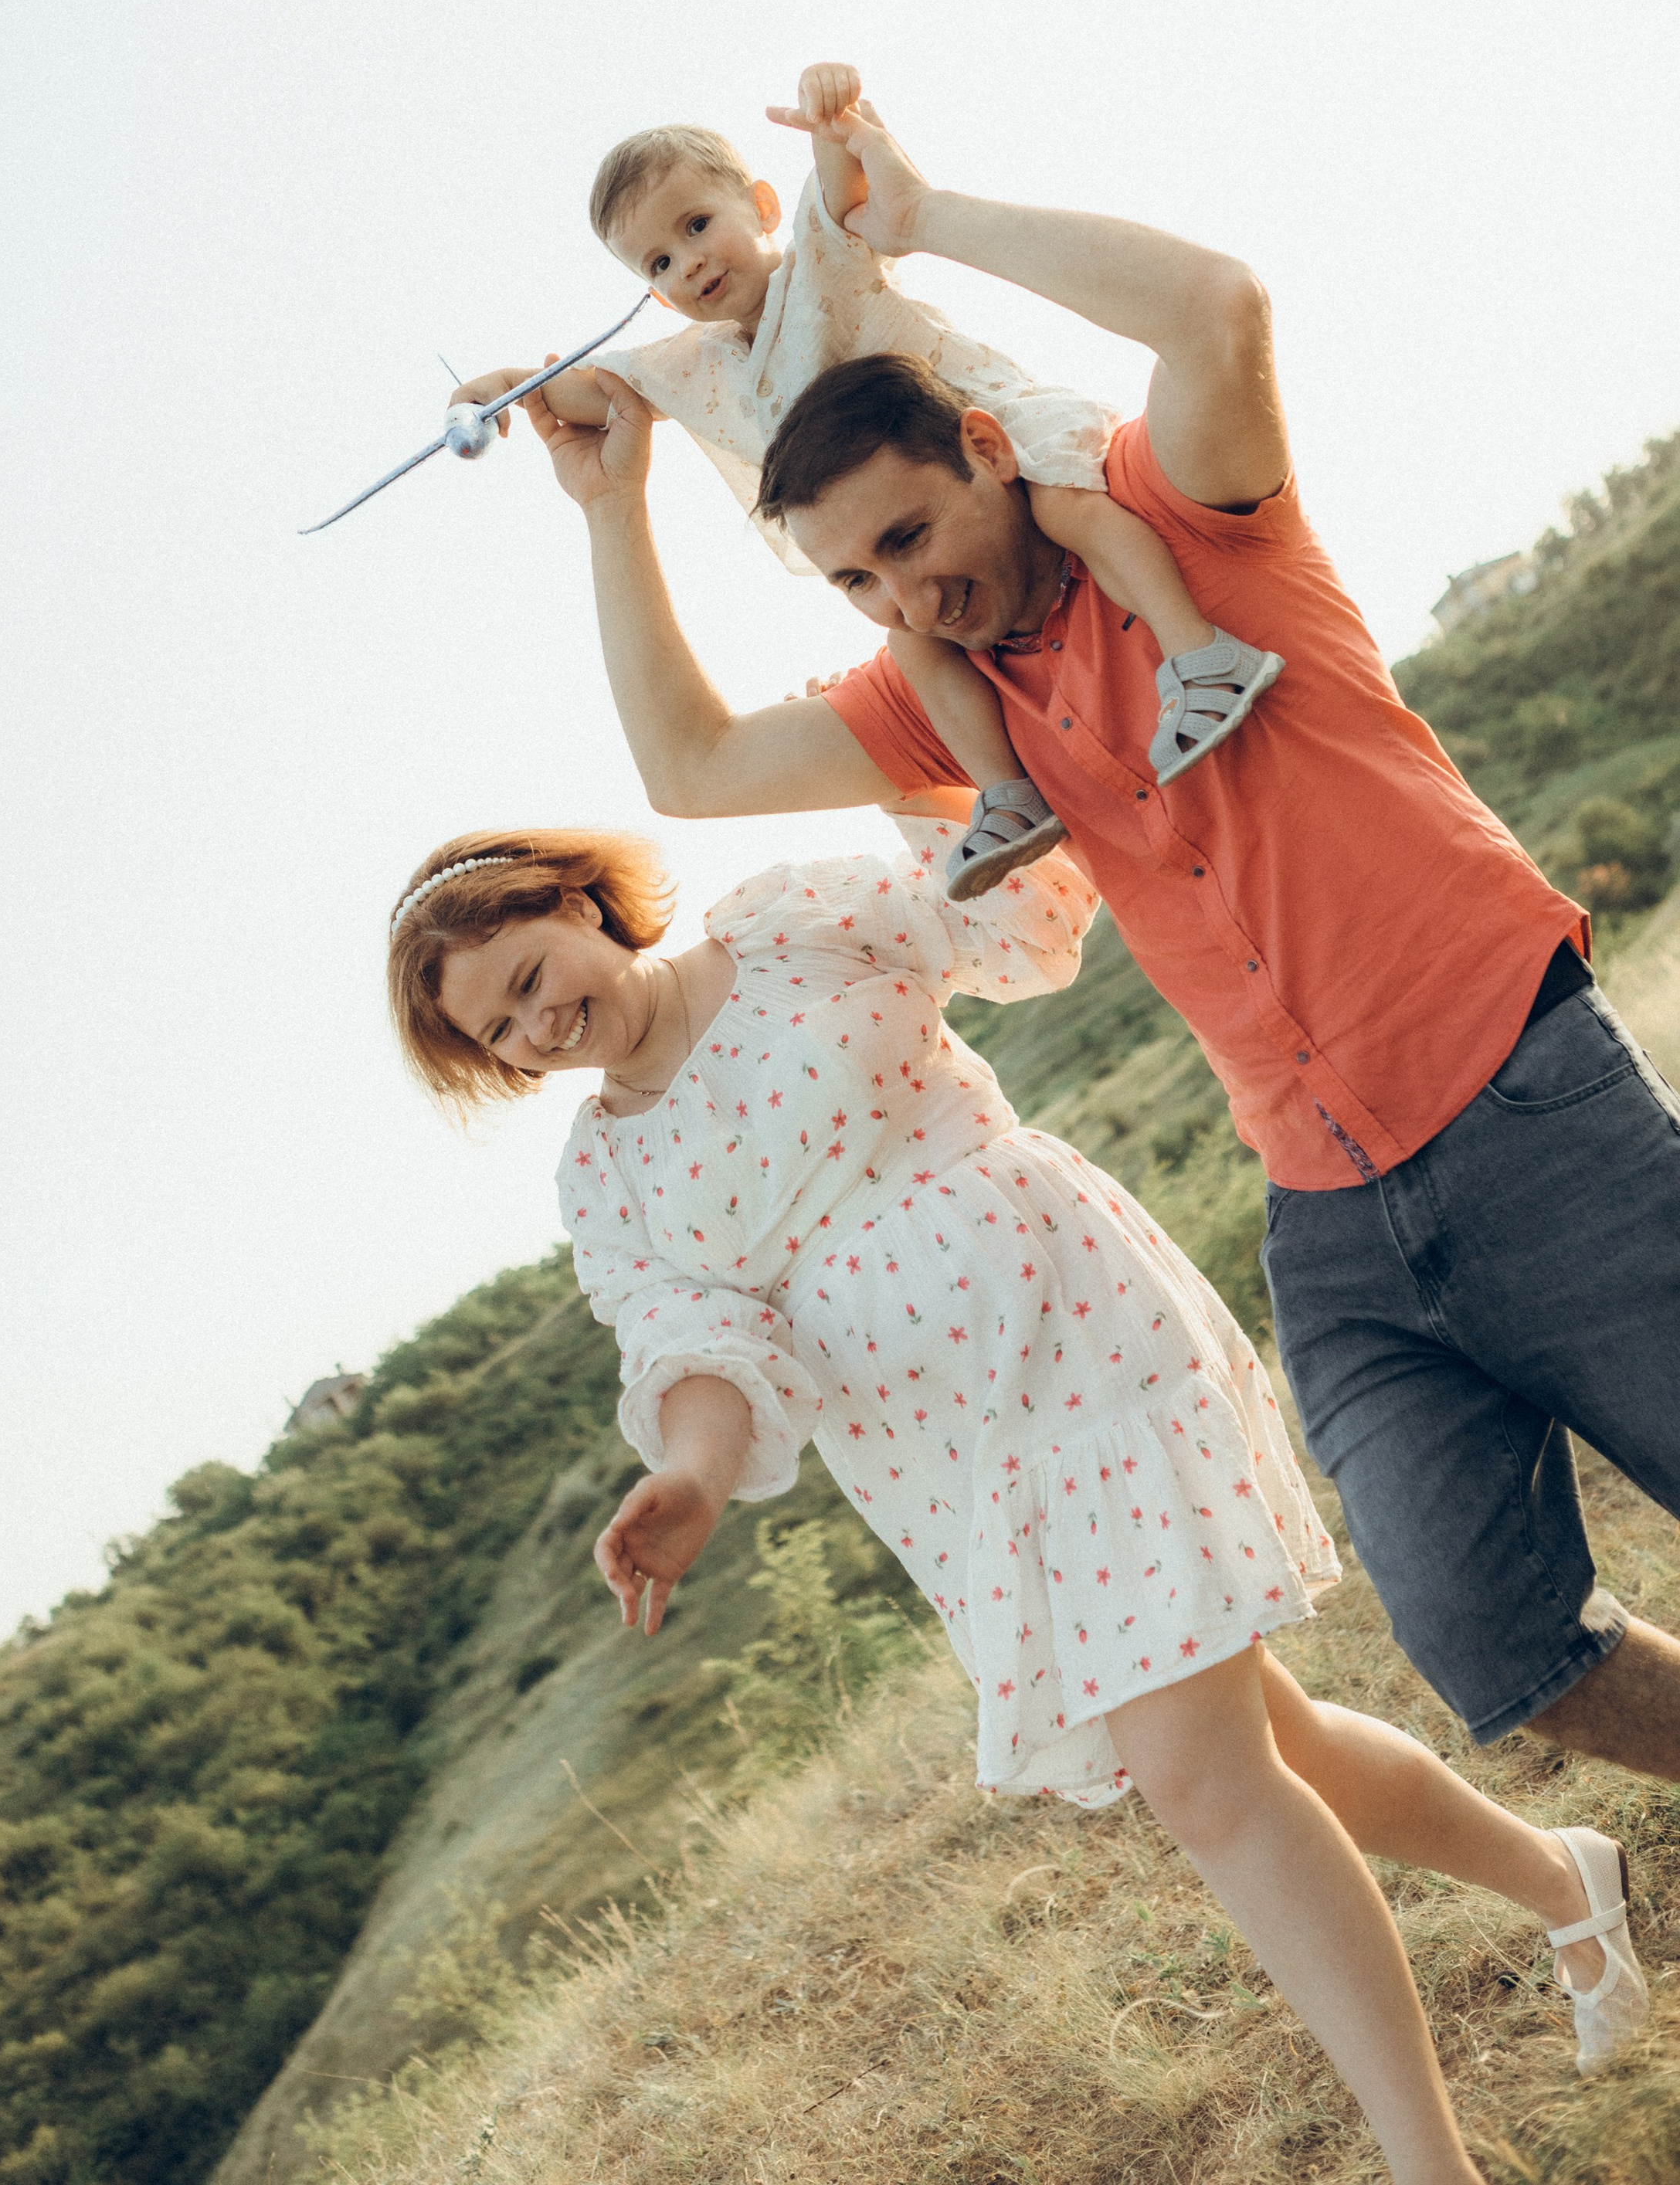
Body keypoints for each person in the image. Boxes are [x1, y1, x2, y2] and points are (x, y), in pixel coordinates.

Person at [518, 94, 1680, 1810]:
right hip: (1331, 1219)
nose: (900, 600)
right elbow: (688, 770)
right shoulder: (950, 696)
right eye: (852, 581)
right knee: (1490, 1648)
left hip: (1521, 1098)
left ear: (990, 451)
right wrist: (608, 504)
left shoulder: (1191, 531)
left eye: (907, 540)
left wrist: (914, 212)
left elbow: (1216, 308)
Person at [384, 823, 1647, 2181]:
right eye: (500, 1029)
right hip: (940, 1466)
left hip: (1071, 1334)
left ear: (579, 903)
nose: (537, 1020)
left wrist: (942, 788)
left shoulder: (788, 924)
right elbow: (693, 1340)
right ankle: (1563, 1879)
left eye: (526, 972)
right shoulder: (604, 1174)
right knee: (1274, 1742)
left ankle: (1429, 2168)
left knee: (1203, 1782)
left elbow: (1004, 925)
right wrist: (690, 1477)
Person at [449, 63, 1281, 897]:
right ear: (654, 295)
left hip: (987, 432)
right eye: (659, 262)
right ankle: (1007, 792)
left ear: (763, 208)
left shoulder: (817, 266)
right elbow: (598, 391)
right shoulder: (698, 365)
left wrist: (827, 114)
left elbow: (846, 188)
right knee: (910, 633)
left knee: (1072, 507)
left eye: (698, 225)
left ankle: (1198, 652)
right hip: (903, 495)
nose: (690, 263)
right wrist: (507, 391)